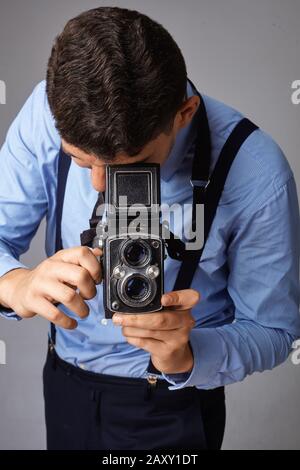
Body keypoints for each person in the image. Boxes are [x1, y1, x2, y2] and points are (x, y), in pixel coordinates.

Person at [0, 6, 299, 450]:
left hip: (175, 405)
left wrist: (188, 354)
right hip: (64, 385)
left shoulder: (256, 172)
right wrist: (15, 283)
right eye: (81, 161)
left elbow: (276, 328)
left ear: (185, 113)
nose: (101, 186)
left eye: (134, 166)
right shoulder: (47, 110)